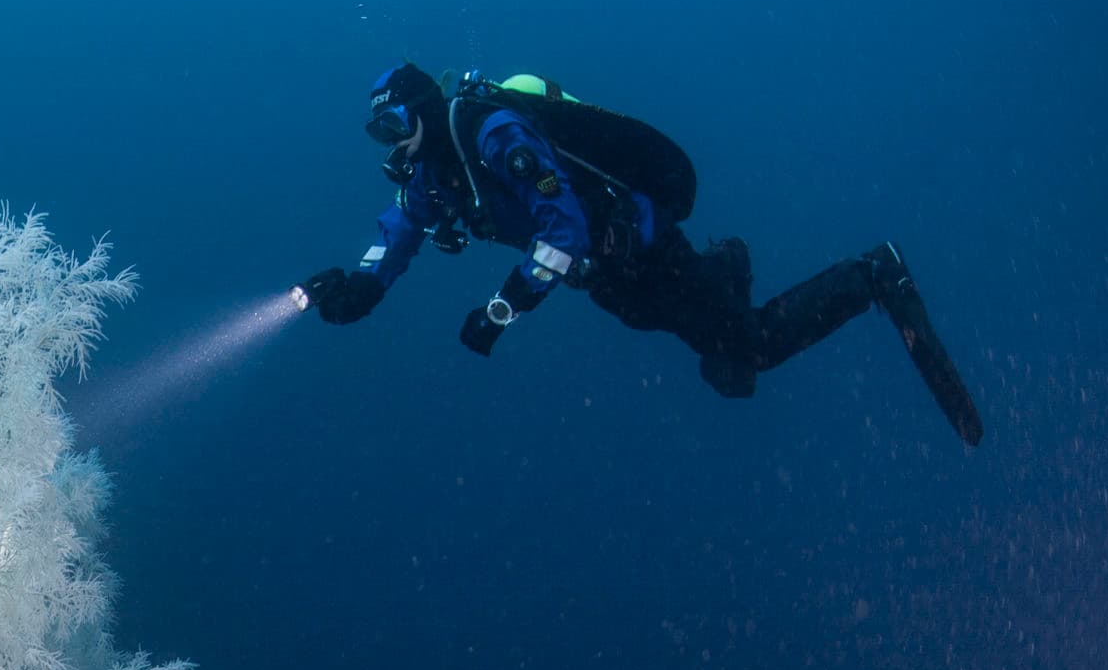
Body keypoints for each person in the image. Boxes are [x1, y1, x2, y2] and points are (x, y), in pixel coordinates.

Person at [298, 63, 982, 444]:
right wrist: (364, 286)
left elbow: (562, 231)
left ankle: (873, 273)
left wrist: (499, 312)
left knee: (749, 349)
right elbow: (400, 228)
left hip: (644, 243)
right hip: (610, 277)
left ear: (420, 109)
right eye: (375, 130)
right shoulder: (433, 175)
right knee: (717, 365)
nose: (387, 141)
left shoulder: (492, 131)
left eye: (391, 124)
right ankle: (730, 267)